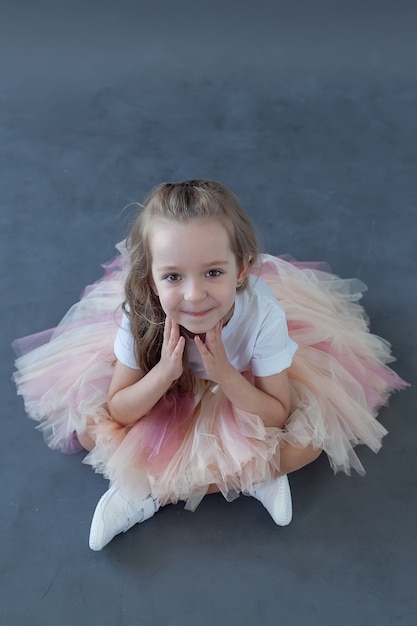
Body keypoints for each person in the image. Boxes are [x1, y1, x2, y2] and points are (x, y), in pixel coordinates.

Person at [12, 180, 408, 551]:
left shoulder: (262, 315)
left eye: (213, 272)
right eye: (172, 276)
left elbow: (276, 415)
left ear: (241, 270)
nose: (195, 294)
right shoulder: (140, 314)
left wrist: (225, 374)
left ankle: (151, 488)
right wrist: (164, 373)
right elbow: (120, 409)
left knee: (307, 443)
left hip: (241, 387)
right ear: (151, 281)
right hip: (167, 392)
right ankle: (246, 474)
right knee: (89, 431)